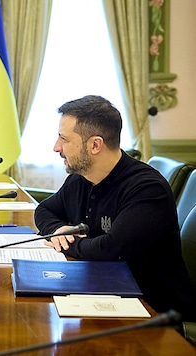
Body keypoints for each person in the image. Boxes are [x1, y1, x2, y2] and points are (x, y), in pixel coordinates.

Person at [35, 95, 195, 319]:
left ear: (95, 145)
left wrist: (65, 242)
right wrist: (59, 230)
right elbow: (44, 210)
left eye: (64, 139)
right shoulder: (81, 178)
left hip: (155, 314)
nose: (56, 147)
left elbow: (109, 249)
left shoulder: (147, 188)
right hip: (104, 292)